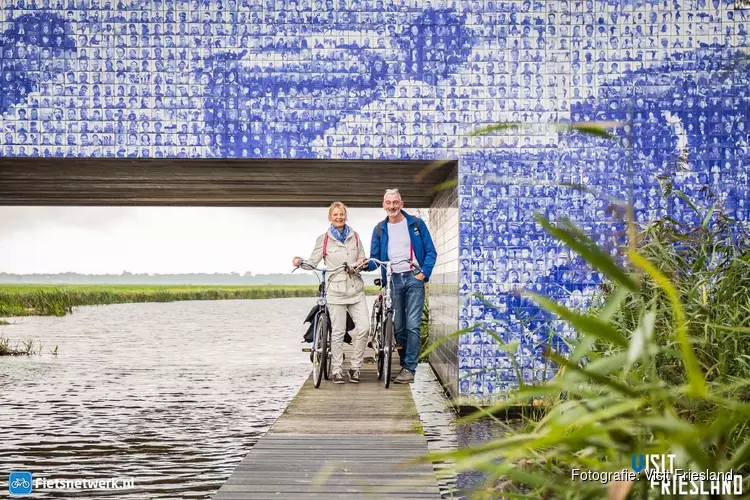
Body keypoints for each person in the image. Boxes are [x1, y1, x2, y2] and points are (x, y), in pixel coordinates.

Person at [292, 202, 369, 384]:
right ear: (330, 217)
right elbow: (313, 262)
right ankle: (336, 370)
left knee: (365, 328)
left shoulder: (355, 237)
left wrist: (357, 266)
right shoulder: (324, 239)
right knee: (338, 332)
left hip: (356, 290)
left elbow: (362, 259)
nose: (339, 217)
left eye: (341, 214)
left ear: (345, 215)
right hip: (335, 291)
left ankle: (355, 368)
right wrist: (299, 262)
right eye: (335, 214)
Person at [368, 188, 437, 384]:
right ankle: (403, 360)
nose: (392, 206)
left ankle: (409, 368)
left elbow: (431, 251)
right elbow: (374, 259)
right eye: (388, 203)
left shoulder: (416, 224)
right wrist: (364, 263)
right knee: (397, 326)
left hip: (414, 278)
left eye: (395, 202)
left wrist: (423, 273)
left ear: (402, 204)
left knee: (413, 325)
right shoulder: (380, 229)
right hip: (392, 280)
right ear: (383, 205)